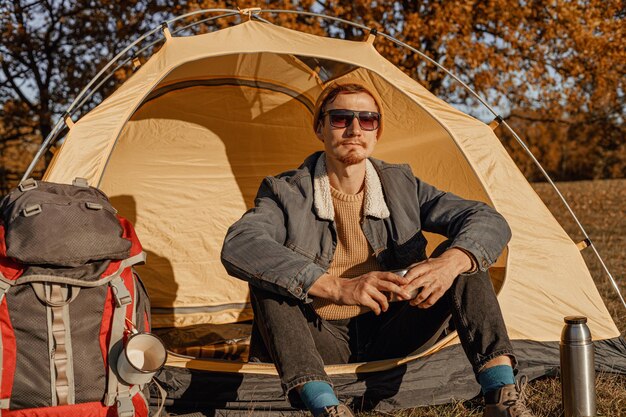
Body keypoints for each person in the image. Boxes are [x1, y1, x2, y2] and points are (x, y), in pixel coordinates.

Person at [221, 78, 535, 417]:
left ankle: (501, 396)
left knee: (463, 257)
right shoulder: (285, 192)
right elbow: (241, 244)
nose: (355, 128)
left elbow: (487, 218)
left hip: (393, 329)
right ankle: (325, 406)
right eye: (341, 118)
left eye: (367, 120)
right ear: (320, 128)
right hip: (321, 337)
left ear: (376, 132)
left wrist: (450, 263)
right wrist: (338, 287)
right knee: (271, 279)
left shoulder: (401, 184)